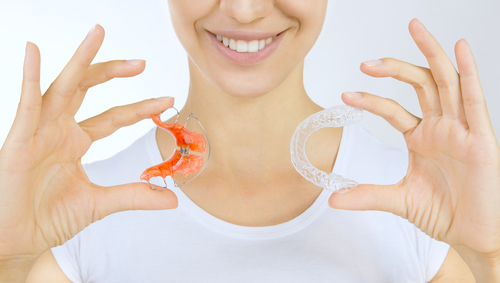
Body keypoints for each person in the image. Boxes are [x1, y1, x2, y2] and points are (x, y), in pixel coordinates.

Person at [1, 1, 499, 282]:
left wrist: (488, 258)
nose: (243, 10)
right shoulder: (76, 215)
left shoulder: (423, 208)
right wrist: (13, 261)